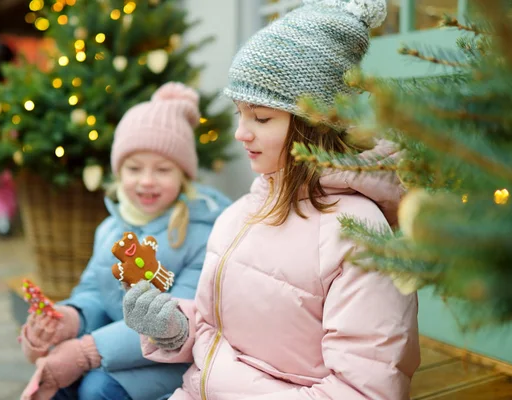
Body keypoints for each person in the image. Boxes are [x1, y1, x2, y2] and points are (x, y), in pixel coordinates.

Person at [123, 1, 420, 399]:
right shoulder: (240, 214)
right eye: (240, 114)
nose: (240, 133)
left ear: (314, 125)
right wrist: (175, 329)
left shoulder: (357, 233)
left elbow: (364, 390)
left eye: (261, 118)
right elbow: (217, 331)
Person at [18, 82, 231, 400]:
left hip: (173, 359)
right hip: (114, 352)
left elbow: (181, 320)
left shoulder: (202, 233)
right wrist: (69, 319)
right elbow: (94, 291)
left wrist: (86, 351)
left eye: (162, 169)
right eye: (134, 168)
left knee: (97, 389)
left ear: (183, 175)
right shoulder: (110, 229)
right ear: (119, 173)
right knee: (59, 384)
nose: (146, 181)